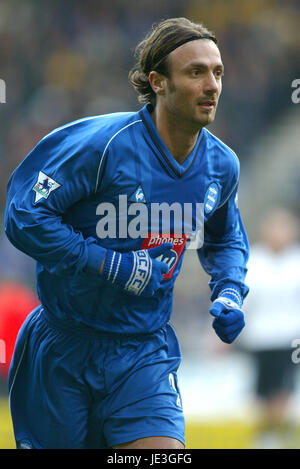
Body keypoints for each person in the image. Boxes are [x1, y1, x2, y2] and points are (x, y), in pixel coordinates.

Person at [5, 17, 249, 449]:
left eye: (218, 73)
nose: (212, 85)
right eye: (196, 72)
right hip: (64, 346)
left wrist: (229, 289)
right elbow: (24, 215)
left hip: (142, 352)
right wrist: (111, 265)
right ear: (158, 82)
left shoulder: (221, 165)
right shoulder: (101, 146)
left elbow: (225, 236)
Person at [237, 208, 300, 449]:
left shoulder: (296, 262)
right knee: (262, 392)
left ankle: (275, 434)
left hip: (291, 338)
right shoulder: (254, 262)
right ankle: (272, 433)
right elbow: (245, 302)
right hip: (260, 338)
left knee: (283, 389)